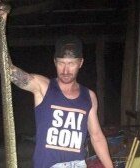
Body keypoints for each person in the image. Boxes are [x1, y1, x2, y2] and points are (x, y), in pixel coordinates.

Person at [8, 35, 113, 168]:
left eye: (71, 64)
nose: (65, 70)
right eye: (61, 63)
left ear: (80, 63)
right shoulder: (43, 87)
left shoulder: (89, 96)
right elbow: (6, 71)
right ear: (55, 62)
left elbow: (96, 136)